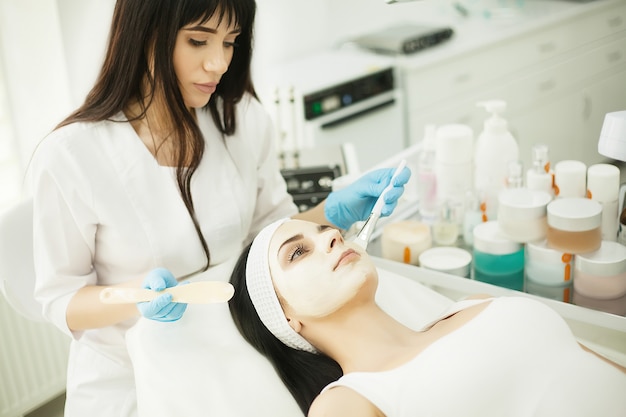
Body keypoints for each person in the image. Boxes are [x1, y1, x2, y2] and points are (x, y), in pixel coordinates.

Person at [28, 1, 411, 416]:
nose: (219, 63)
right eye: (198, 41)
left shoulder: (241, 120)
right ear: (145, 34)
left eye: (231, 42)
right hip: (126, 376)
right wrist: (135, 297)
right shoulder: (71, 156)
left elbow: (271, 233)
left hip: (233, 349)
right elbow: (60, 298)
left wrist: (334, 212)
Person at [229, 218, 626, 417]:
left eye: (326, 231)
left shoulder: (476, 303)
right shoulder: (346, 404)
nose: (331, 237)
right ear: (285, 318)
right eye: (297, 253)